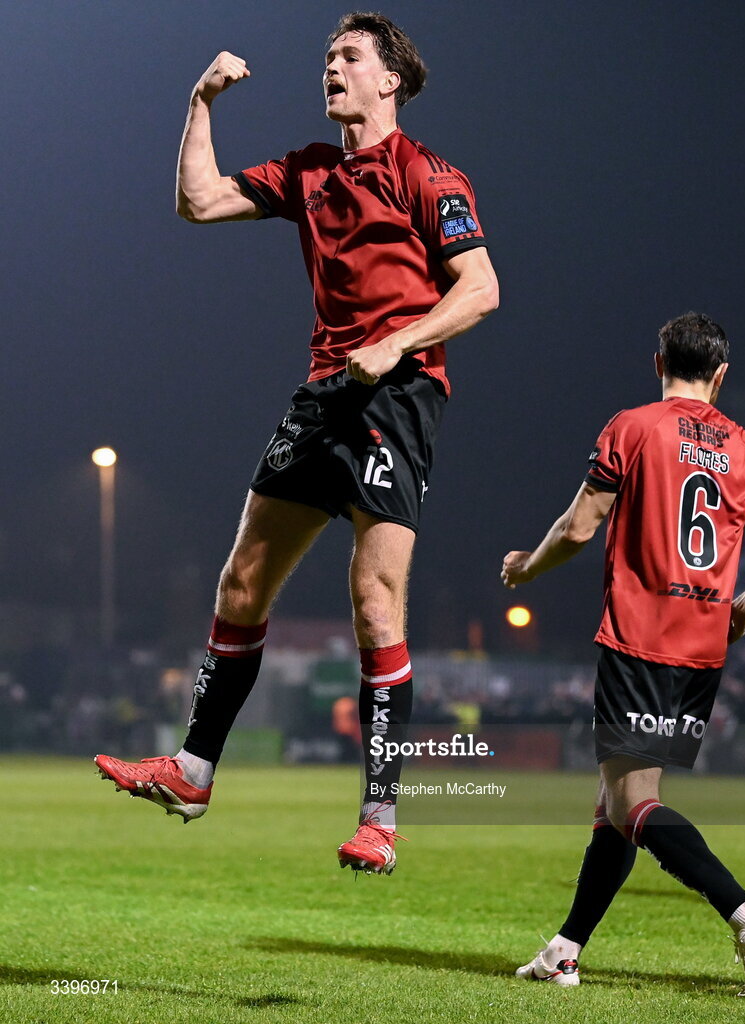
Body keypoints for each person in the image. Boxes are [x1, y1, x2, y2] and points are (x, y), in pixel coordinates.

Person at [94, 12, 498, 876]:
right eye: (326, 58)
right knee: (242, 578)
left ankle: (381, 818)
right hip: (323, 394)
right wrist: (199, 102)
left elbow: (481, 288)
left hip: (399, 392)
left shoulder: (429, 175)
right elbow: (198, 202)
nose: (332, 68)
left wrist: (398, 343)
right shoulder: (310, 170)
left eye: (349, 57)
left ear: (389, 79)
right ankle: (193, 769)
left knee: (372, 599)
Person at [501, 313, 745, 998]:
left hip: (639, 637)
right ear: (719, 375)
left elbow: (580, 525)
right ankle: (565, 949)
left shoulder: (632, 427)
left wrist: (527, 568)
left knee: (632, 801)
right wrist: (742, 611)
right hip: (700, 649)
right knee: (614, 803)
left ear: (656, 362)